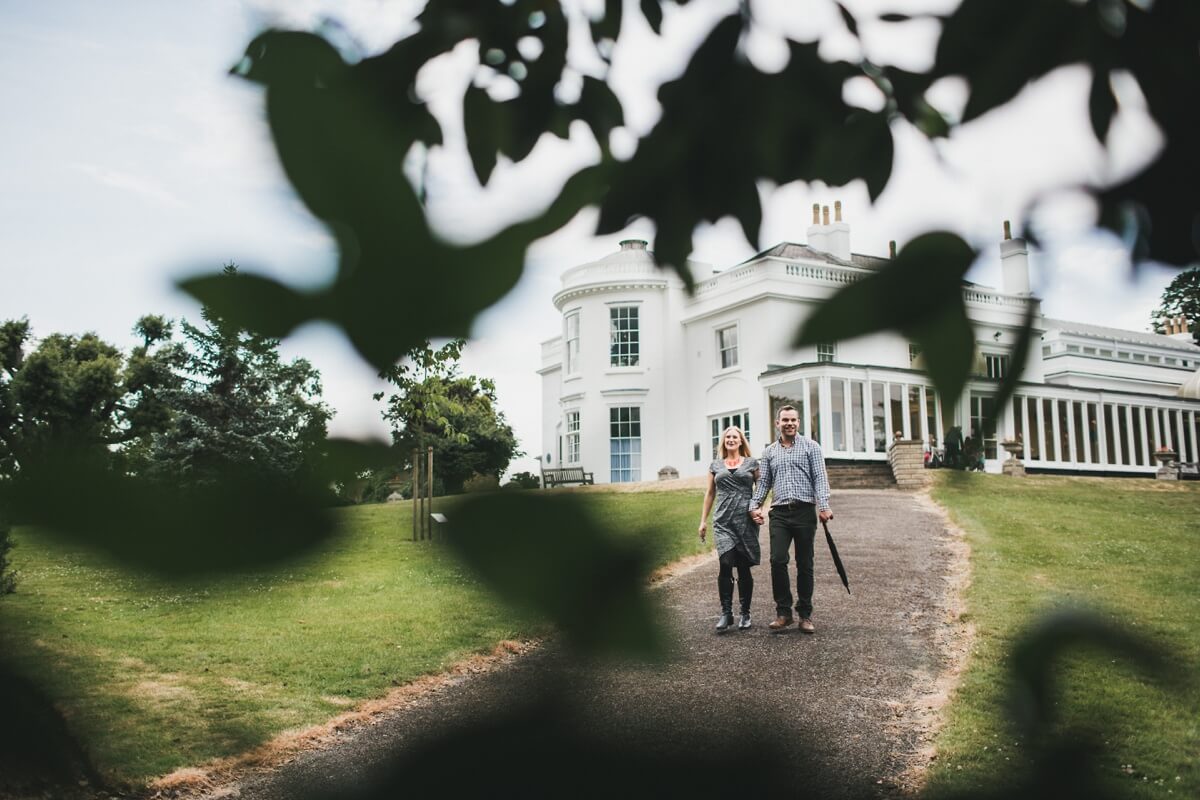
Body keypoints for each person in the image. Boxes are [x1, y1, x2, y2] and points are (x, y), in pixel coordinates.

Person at [749, 406, 832, 635]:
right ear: (777, 423)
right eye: (785, 420)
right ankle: (784, 613)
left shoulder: (811, 447)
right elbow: (763, 483)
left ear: (798, 422)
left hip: (805, 511)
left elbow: (820, 478)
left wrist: (823, 506)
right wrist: (754, 506)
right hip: (780, 513)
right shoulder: (769, 452)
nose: (789, 423)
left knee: (805, 563)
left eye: (793, 420)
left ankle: (805, 615)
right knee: (777, 560)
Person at [698, 426, 760, 632]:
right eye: (727, 437)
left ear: (741, 441)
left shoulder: (752, 463)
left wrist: (759, 510)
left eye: (735, 436)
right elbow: (709, 493)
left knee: (743, 566)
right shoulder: (715, 465)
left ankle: (745, 613)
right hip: (723, 521)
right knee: (725, 563)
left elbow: (761, 489)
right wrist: (703, 521)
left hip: (745, 521)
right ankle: (726, 613)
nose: (731, 439)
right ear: (723, 442)